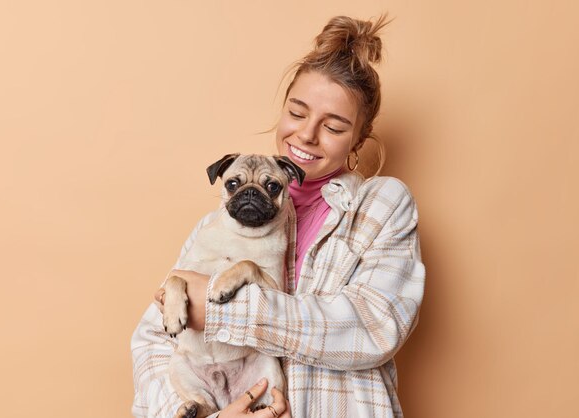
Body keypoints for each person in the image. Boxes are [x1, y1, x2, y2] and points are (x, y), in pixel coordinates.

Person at [132, 15, 425, 418]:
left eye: (334, 127)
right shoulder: (216, 225)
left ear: (360, 137)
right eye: (297, 112)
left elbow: (374, 328)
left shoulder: (381, 205)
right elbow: (153, 341)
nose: (307, 135)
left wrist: (224, 311)